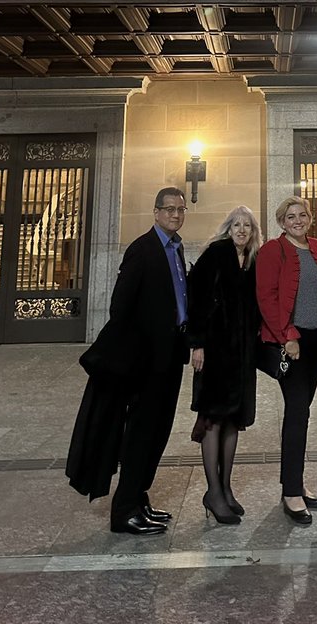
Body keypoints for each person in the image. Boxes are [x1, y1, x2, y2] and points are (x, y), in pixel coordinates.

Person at [66, 186, 190, 536]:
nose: (175, 215)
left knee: (159, 431)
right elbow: (120, 308)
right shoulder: (142, 249)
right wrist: (142, 349)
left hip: (171, 356)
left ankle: (138, 498)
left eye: (180, 209)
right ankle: (123, 512)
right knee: (141, 433)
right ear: (156, 212)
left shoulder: (176, 248)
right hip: (147, 362)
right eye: (169, 209)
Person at [256, 195, 317, 526]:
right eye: (290, 216)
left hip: (315, 341)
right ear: (281, 222)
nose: (297, 220)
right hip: (292, 341)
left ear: (310, 218)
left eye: (302, 215)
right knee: (297, 413)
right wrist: (287, 335)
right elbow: (266, 296)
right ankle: (291, 492)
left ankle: (295, 483)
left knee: (303, 412)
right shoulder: (273, 250)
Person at [187, 205, 263, 527]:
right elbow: (196, 297)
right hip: (215, 351)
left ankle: (226, 488)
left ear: (253, 231)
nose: (241, 230)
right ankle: (213, 492)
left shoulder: (253, 260)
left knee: (233, 420)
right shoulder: (216, 254)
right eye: (236, 225)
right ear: (228, 229)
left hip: (242, 354)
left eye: (247, 225)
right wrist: (197, 343)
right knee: (214, 419)